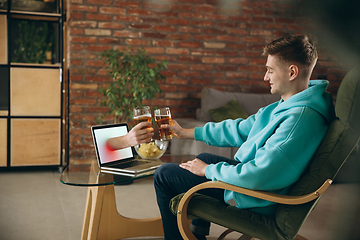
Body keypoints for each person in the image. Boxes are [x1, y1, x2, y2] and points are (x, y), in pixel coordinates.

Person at [153, 34, 335, 240]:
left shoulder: (299, 119)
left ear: (292, 72)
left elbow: (259, 175)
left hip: (260, 198)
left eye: (270, 70)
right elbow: (240, 128)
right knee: (204, 157)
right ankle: (198, 233)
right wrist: (185, 133)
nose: (265, 77)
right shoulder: (290, 104)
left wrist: (208, 171)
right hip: (256, 186)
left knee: (164, 174)